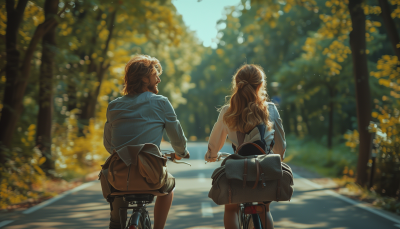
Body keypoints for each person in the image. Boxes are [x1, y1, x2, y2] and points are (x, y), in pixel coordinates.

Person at [103, 54, 189, 229]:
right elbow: (177, 139)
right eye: (155, 74)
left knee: (116, 189)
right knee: (168, 189)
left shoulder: (113, 106)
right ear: (144, 78)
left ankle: (116, 222)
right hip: (152, 176)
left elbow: (109, 145)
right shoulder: (161, 103)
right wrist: (181, 153)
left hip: (119, 177)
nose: (158, 78)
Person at [204, 64, 286, 229]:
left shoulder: (227, 111)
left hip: (238, 171)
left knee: (231, 208)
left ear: (237, 85)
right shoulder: (271, 109)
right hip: (264, 170)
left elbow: (214, 144)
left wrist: (211, 155)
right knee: (264, 209)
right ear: (261, 85)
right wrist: (278, 157)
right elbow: (280, 147)